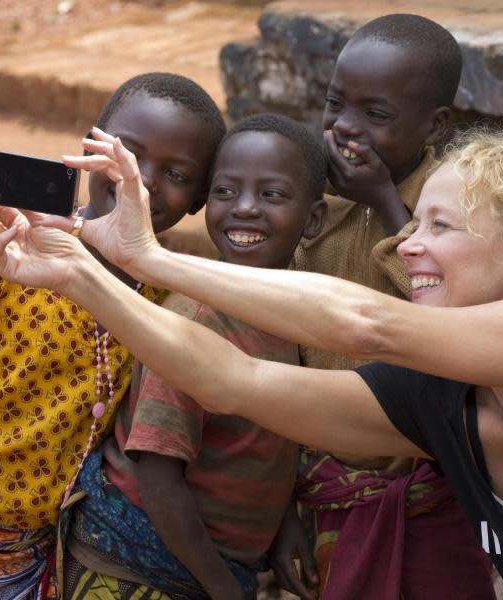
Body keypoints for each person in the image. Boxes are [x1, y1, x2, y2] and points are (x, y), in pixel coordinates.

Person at [0, 119, 503, 599]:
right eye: (414, 222)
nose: (404, 246)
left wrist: (152, 258)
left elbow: (367, 323)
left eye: (441, 226)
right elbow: (232, 378)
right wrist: (82, 275)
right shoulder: (437, 402)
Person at [0, 72, 225, 599]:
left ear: (198, 199)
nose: (139, 180)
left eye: (175, 172)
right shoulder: (4, 258)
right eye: (128, 155)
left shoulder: (163, 301)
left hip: (33, 559)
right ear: (87, 150)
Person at [60, 113, 327, 600]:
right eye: (226, 191)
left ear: (314, 219)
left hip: (203, 564)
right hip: (136, 569)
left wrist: (282, 523)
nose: (244, 209)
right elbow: (159, 477)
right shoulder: (198, 320)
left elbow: (265, 435)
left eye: (271, 194)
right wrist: (224, 590)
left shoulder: (286, 312)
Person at [278, 14, 493, 599]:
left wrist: (385, 204)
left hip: (427, 488)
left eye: (375, 115)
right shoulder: (309, 198)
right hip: (322, 481)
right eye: (334, 105)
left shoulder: (453, 208)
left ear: (434, 124)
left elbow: (452, 322)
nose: (346, 128)